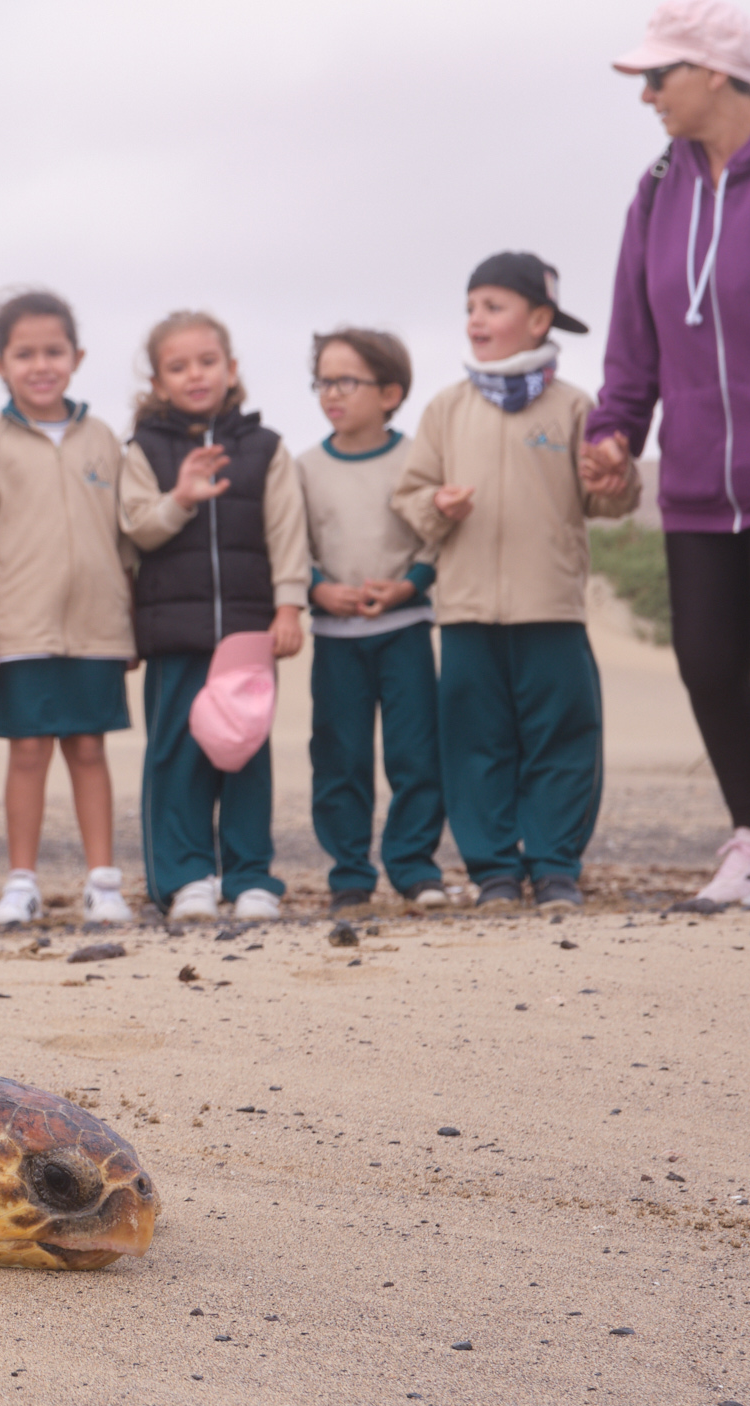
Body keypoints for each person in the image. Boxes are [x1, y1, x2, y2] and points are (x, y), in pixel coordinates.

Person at [584, 0, 750, 908]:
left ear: (715, 74)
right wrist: (614, 431)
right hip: (699, 483)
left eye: (659, 77)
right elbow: (634, 337)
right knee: (707, 661)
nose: (648, 94)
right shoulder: (657, 189)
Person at [395, 253, 642, 909]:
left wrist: (612, 477)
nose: (476, 319)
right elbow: (410, 496)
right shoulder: (446, 409)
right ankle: (494, 871)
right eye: (470, 307)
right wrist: (434, 506)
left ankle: (555, 866)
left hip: (551, 608)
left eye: (493, 306)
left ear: (538, 320)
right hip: (467, 612)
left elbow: (609, 500)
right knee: (475, 744)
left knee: (561, 740)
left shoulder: (574, 407)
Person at [0, 290, 137, 928]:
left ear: (77, 357)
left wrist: (128, 618)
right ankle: (21, 883)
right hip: (17, 628)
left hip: (95, 627)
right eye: (24, 353)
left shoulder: (104, 438)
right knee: (27, 751)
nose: (40, 364)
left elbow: (126, 534)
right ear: (0, 363)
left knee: (88, 748)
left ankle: (104, 884)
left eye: (53, 351)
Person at [121, 310, 310, 923]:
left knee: (245, 750)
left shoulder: (265, 448)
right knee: (177, 755)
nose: (195, 375)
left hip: (248, 633)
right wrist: (179, 498)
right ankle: (186, 878)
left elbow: (288, 532)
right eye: (178, 367)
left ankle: (251, 876)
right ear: (157, 382)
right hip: (174, 633)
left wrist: (288, 605)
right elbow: (136, 529)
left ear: (231, 370)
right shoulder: (144, 450)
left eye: (207, 362)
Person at [298, 328, 448, 913]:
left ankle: (414, 868)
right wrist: (319, 589)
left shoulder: (417, 459)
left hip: (405, 630)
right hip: (335, 639)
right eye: (323, 381)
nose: (331, 393)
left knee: (415, 755)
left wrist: (409, 584)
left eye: (346, 381)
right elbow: (292, 546)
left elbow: (436, 539)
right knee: (339, 758)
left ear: (390, 392)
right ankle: (350, 875)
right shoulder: (305, 467)